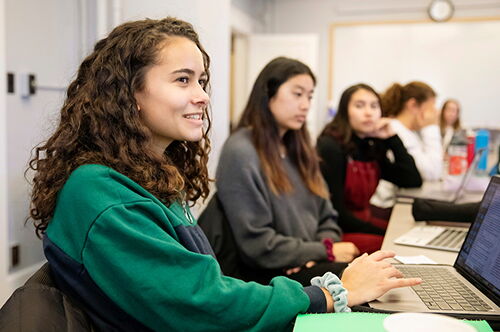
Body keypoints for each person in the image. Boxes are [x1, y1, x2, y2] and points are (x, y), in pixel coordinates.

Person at [26, 18, 421, 331]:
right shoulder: (103, 194)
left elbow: (202, 290)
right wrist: (330, 293)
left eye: (201, 81)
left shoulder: (144, 177)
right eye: (183, 79)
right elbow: (204, 304)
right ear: (128, 93)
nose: (202, 95)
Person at [215, 57, 366, 286]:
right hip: (266, 278)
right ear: (268, 93)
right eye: (297, 94)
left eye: (309, 96)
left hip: (306, 264)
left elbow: (328, 216)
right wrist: (321, 252)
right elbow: (257, 244)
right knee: (363, 280)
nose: (305, 104)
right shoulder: (241, 151)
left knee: (374, 273)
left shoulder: (300, 148)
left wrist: (314, 255)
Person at [317, 84, 422, 248]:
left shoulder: (371, 145)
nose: (368, 112)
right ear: (345, 111)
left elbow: (412, 179)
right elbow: (336, 212)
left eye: (374, 106)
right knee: (394, 246)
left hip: (361, 219)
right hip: (337, 229)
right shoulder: (330, 146)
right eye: (359, 106)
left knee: (410, 235)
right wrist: (385, 234)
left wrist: (392, 138)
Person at [370, 81, 442, 209]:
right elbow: (432, 173)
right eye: (431, 107)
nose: (435, 113)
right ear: (413, 105)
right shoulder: (395, 131)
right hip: (386, 206)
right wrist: (431, 127)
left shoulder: (408, 132)